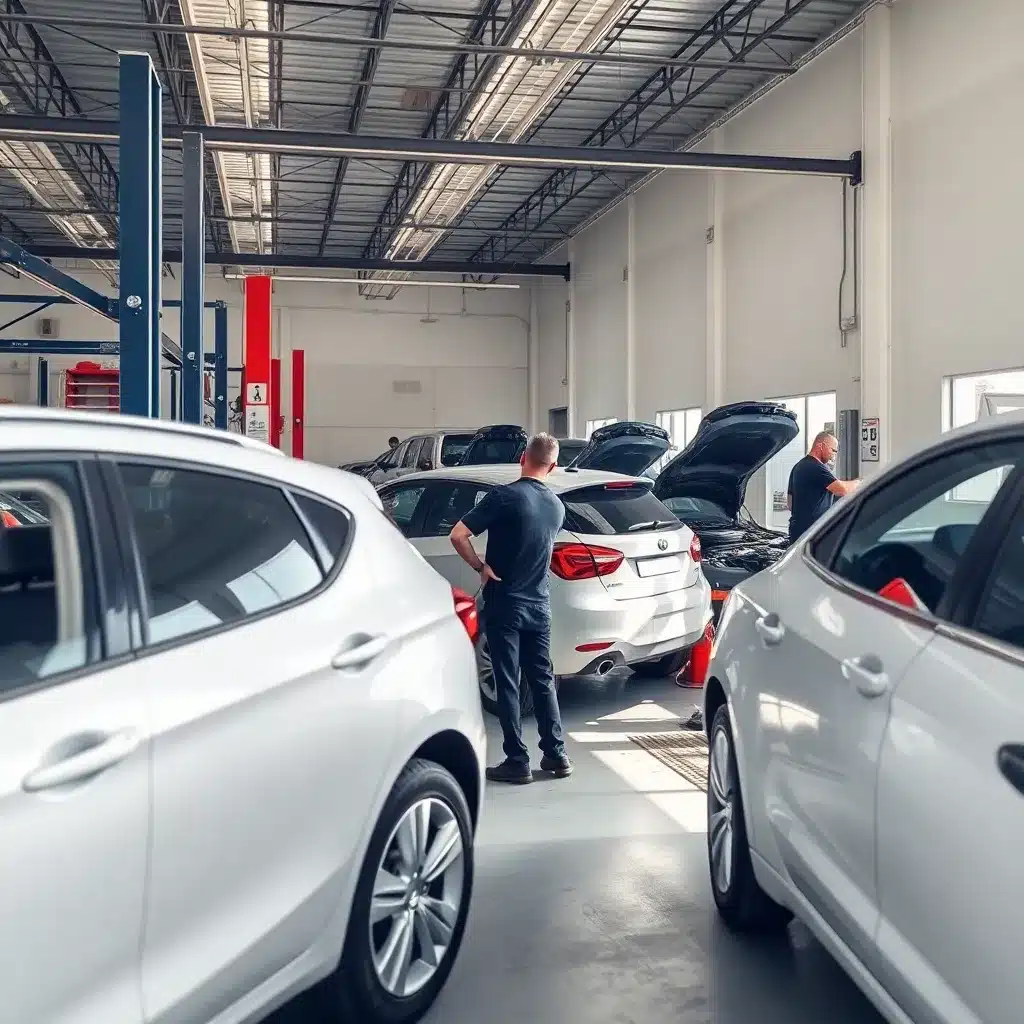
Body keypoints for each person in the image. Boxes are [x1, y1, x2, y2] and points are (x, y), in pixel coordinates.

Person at [449, 433, 572, 784]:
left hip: (505, 603)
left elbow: (458, 535)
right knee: (542, 680)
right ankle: (556, 755)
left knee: (507, 681)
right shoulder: (557, 506)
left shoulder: (504, 496)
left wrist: (480, 566)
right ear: (553, 466)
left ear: (522, 457)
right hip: (539, 605)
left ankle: (517, 760)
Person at [787, 430, 859, 544]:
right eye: (833, 450)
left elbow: (790, 504)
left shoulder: (798, 466)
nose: (833, 455)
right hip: (812, 533)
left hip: (797, 531)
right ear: (821, 446)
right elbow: (842, 490)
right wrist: (858, 483)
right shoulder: (815, 467)